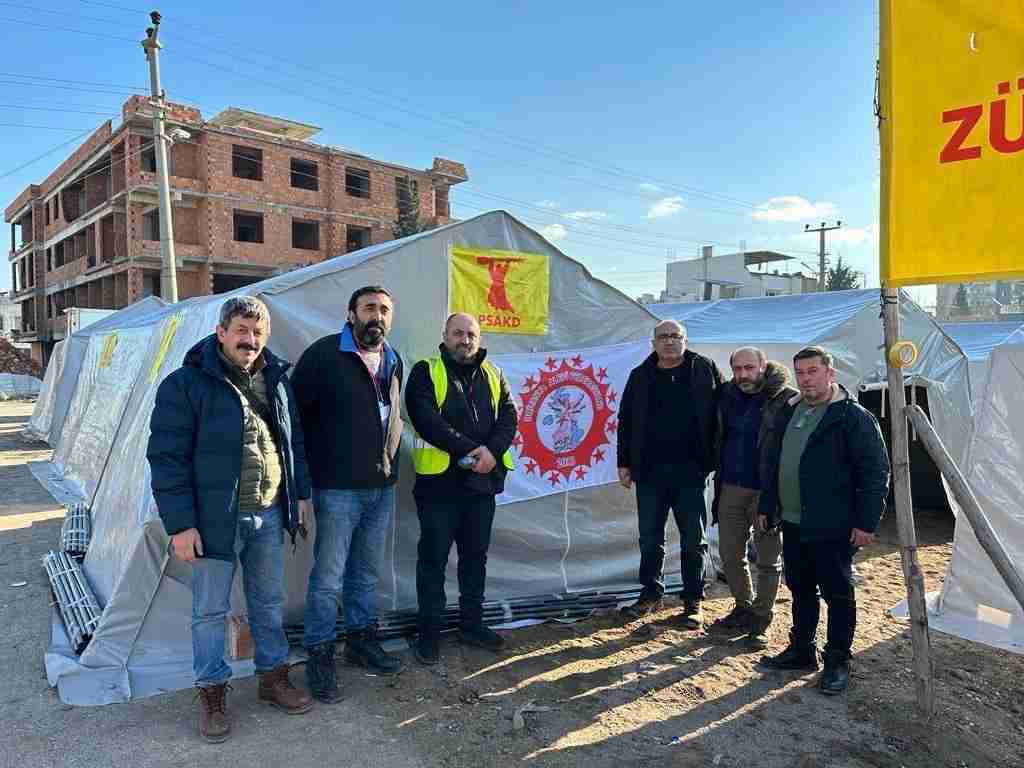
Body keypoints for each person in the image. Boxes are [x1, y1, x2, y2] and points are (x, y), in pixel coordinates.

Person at [147, 296, 314, 743]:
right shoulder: (186, 384)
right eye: (241, 330)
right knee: (209, 612)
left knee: (268, 603)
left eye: (258, 333)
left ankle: (272, 678)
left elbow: (292, 442)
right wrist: (180, 525)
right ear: (221, 333)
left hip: (268, 512)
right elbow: (166, 458)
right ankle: (212, 693)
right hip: (213, 522)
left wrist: (299, 494)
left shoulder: (276, 380)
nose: (250, 340)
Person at [291, 286, 404, 704]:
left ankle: (360, 641)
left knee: (366, 573)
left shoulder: (393, 359)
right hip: (337, 488)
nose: (378, 315)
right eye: (370, 308)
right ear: (351, 313)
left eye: (385, 309)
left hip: (381, 487)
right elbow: (294, 423)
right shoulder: (323, 356)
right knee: (328, 577)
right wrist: (302, 483)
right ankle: (320, 654)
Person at [758, 346, 890, 695]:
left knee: (837, 592)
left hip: (833, 521)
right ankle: (802, 650)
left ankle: (837, 660)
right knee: (800, 587)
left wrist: (866, 522)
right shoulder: (791, 410)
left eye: (812, 371)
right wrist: (769, 504)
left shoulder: (852, 416)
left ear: (830, 373)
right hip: (793, 520)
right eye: (800, 373)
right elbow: (775, 461)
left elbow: (875, 473)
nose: (805, 379)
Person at [405, 312, 518, 665]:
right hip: (440, 486)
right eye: (458, 333)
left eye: (471, 334)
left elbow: (509, 417)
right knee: (433, 560)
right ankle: (429, 633)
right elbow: (426, 420)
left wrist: (492, 452)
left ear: (479, 339)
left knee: (475, 558)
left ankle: (472, 625)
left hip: (482, 484)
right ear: (445, 335)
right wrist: (472, 451)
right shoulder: (426, 371)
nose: (464, 340)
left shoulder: (494, 373)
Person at [617, 319, 723, 628]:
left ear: (685, 340)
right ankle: (651, 594)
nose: (669, 341)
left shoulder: (704, 369)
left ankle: (693, 601)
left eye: (675, 336)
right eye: (662, 336)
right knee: (650, 538)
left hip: (692, 472)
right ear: (653, 343)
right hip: (650, 472)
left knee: (693, 539)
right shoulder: (640, 376)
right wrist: (624, 463)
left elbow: (725, 409)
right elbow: (625, 421)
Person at [708, 347, 796, 649]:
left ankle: (761, 619)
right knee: (731, 555)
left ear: (763, 366)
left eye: (749, 368)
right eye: (737, 369)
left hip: (766, 490)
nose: (743, 374)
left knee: (768, 559)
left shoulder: (786, 399)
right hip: (730, 486)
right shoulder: (726, 396)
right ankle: (743, 608)